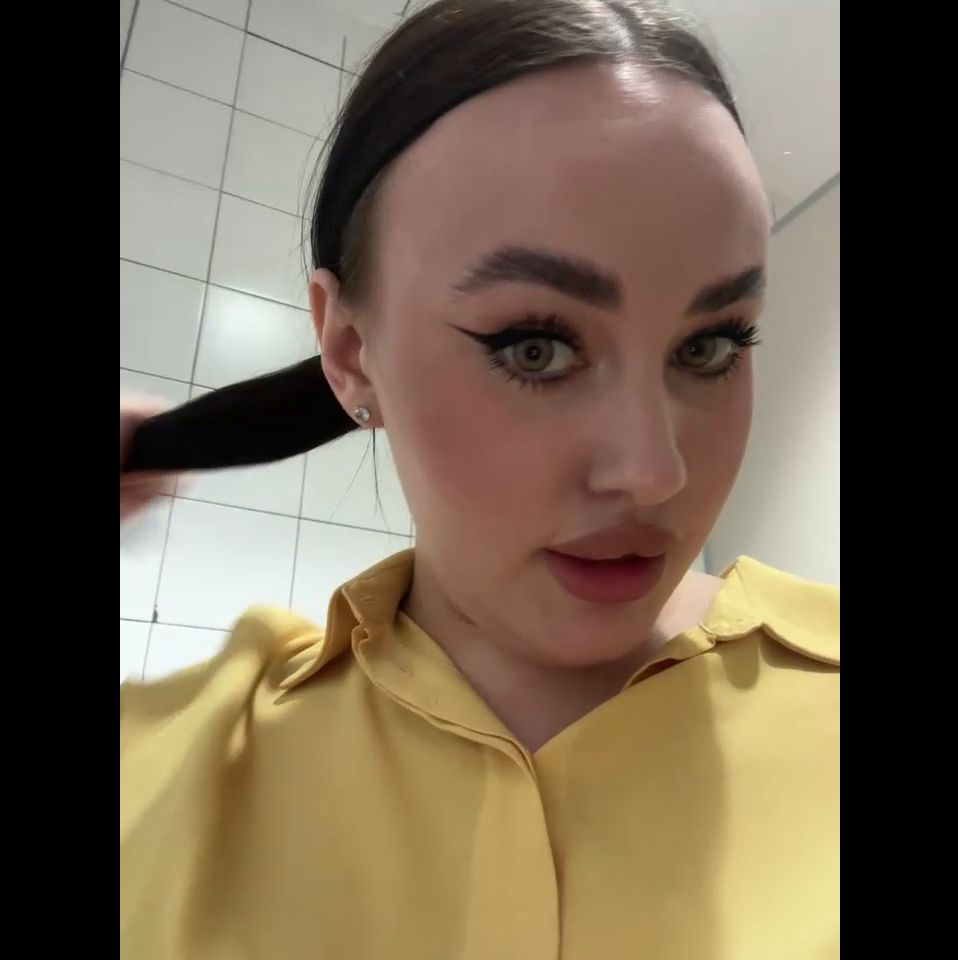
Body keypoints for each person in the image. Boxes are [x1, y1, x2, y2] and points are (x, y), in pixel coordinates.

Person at [119, 1, 839, 957]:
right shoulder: (164, 775)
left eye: (711, 345)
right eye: (535, 348)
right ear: (351, 351)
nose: (652, 473)